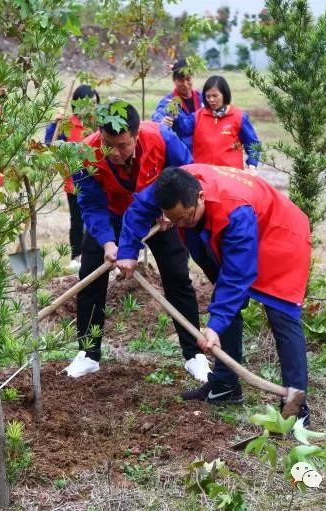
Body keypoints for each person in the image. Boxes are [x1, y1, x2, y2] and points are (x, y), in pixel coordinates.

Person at [116, 164, 311, 423]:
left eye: (185, 218)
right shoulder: (170, 187)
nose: (180, 224)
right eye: (174, 220)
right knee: (223, 297)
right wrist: (127, 251)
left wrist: (215, 325)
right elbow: (139, 209)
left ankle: (297, 409)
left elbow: (237, 275)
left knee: (281, 316)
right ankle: (225, 386)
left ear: (199, 197)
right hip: (236, 226)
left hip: (280, 235)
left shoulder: (235, 212)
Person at [64, 99, 210, 384]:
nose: (115, 153)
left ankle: (194, 355)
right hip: (111, 215)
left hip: (158, 217)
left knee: (178, 277)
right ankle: (88, 355)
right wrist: (107, 242)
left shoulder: (162, 138)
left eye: (122, 146)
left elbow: (188, 172)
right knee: (90, 279)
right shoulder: (85, 153)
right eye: (109, 144)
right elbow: (90, 204)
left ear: (137, 135)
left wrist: (173, 208)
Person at [44, 84, 101, 271]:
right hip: (74, 181)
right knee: (77, 220)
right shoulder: (67, 124)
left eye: (94, 102)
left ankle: (98, 253)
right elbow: (50, 143)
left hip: (99, 179)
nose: (92, 106)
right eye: (88, 103)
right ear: (77, 104)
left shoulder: (99, 123)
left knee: (99, 218)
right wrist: (54, 124)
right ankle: (76, 256)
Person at [173, 75, 261, 169]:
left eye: (215, 96)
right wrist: (175, 115)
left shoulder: (239, 117)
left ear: (224, 94)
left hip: (230, 175)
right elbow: (183, 129)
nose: (211, 100)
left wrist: (252, 164)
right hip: (203, 174)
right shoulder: (198, 116)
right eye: (208, 96)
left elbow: (253, 143)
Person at [151, 58, 202, 151]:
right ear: (174, 80)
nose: (185, 84)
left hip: (203, 148)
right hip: (182, 151)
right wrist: (161, 120)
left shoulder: (202, 97)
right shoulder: (169, 101)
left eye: (188, 79)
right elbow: (157, 115)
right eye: (181, 80)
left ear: (192, 78)